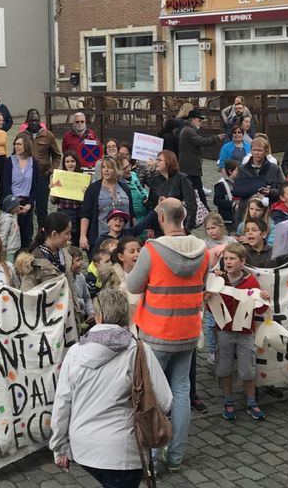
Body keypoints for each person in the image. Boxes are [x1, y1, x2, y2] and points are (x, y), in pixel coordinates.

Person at [49, 289, 172, 488]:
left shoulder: (74, 352)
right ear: (127, 316)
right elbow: (165, 401)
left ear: (98, 317)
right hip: (122, 452)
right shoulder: (139, 351)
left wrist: (59, 447)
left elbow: (62, 403)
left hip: (84, 448)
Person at [124, 198, 210, 473]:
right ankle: (175, 458)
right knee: (181, 391)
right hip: (187, 332)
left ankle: (148, 458)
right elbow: (203, 284)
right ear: (183, 218)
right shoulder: (202, 250)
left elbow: (134, 286)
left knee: (150, 396)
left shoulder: (152, 250)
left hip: (156, 333)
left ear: (161, 218)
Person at [211, 242, 267, 421]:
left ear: (242, 262)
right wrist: (209, 296)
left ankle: (251, 401)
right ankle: (228, 400)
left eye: (232, 258)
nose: (228, 262)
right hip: (224, 331)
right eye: (226, 258)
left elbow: (259, 310)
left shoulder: (251, 281)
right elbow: (212, 308)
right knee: (225, 367)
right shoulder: (218, 280)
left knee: (248, 369)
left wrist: (264, 299)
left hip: (245, 333)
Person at [78, 156, 135, 252]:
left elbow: (132, 214)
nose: (106, 170)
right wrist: (83, 236)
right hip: (101, 237)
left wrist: (133, 235)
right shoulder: (93, 189)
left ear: (116, 169)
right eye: (103, 167)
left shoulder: (125, 188)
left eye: (110, 167)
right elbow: (85, 214)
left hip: (124, 238)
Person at [15, 213, 76, 296]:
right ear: (54, 234)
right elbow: (27, 295)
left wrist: (76, 308)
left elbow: (71, 286)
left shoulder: (65, 251)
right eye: (67, 233)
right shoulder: (34, 261)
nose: (70, 237)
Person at [19, 109, 60, 229]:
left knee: (42, 209)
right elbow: (15, 156)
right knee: (27, 209)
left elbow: (57, 155)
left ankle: (43, 236)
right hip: (26, 179)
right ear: (27, 121)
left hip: (43, 176)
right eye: (31, 121)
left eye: (36, 120)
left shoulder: (48, 135)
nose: (34, 123)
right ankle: (27, 239)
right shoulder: (21, 136)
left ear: (40, 121)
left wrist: (51, 170)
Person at [231, 135, 284, 221]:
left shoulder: (275, 169)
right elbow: (236, 190)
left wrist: (270, 192)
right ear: (251, 151)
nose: (256, 153)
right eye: (254, 150)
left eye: (260, 150)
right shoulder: (242, 169)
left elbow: (283, 190)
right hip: (246, 210)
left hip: (267, 210)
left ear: (266, 151)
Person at [177, 109, 221, 208]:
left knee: (189, 189)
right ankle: (205, 211)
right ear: (193, 119)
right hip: (190, 166)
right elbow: (202, 141)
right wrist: (216, 138)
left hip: (189, 166)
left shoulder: (188, 129)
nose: (200, 122)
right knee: (197, 190)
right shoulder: (189, 131)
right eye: (199, 119)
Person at [0, 195, 25, 262]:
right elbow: (3, 235)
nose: (19, 206)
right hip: (10, 250)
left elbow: (16, 214)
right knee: (10, 266)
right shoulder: (7, 220)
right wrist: (2, 249)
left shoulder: (13, 215)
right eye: (17, 205)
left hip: (15, 247)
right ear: (11, 208)